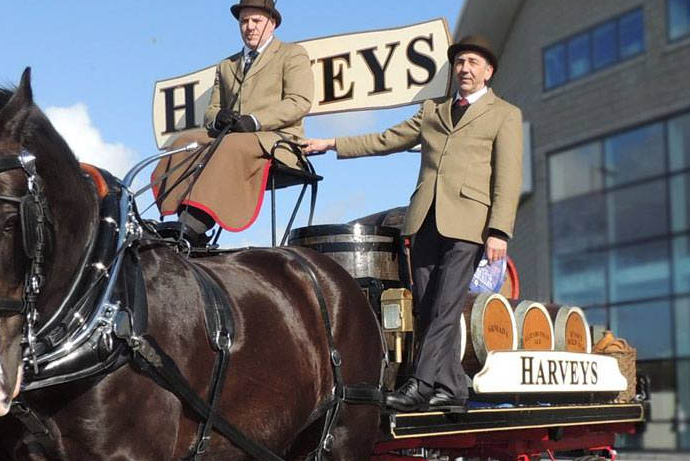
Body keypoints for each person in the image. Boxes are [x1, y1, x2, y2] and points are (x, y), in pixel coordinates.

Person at [303, 35, 523, 412]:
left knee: (445, 306)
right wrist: (332, 144)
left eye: (473, 63)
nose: (465, 69)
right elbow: (385, 138)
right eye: (459, 63)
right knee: (427, 306)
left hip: (469, 225)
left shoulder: (505, 114)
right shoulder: (432, 111)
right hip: (424, 220)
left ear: (488, 72)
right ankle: (453, 389)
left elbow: (508, 176)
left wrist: (499, 231)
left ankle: (420, 385)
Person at [152, 0, 313, 245]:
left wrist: (256, 121)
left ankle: (194, 224)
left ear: (272, 23)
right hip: (232, 136)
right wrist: (217, 118)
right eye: (244, 21)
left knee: (231, 146)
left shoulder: (292, 54)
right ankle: (173, 216)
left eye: (256, 21)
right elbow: (211, 111)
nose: (249, 27)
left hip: (277, 140)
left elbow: (299, 102)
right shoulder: (227, 66)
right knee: (185, 141)